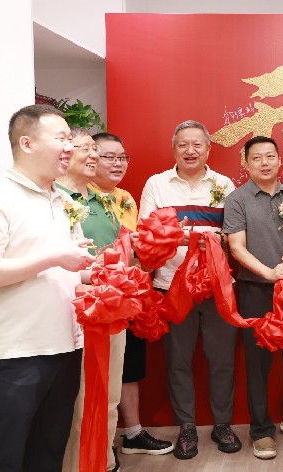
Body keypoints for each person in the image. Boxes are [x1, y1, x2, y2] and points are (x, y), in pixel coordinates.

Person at [0, 104, 96, 471]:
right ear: (27, 143)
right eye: (61, 138)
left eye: (70, 139)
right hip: (19, 354)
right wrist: (53, 258)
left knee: (48, 454)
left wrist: (102, 274)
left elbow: (70, 267)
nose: (70, 146)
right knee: (4, 459)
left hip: (67, 346)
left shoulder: (63, 200)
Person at [140, 120, 240, 459]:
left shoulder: (224, 184)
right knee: (178, 361)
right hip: (171, 286)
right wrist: (184, 238)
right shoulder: (156, 184)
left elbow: (234, 234)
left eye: (197, 144)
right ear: (174, 149)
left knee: (222, 361)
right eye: (183, 144)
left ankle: (223, 424)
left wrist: (206, 239)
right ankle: (186, 427)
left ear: (208, 149)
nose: (190, 150)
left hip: (217, 286)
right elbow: (146, 235)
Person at [223, 136, 283, 460]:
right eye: (257, 158)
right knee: (258, 363)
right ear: (246, 164)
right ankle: (261, 431)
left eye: (270, 156)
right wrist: (268, 273)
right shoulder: (237, 199)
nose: (265, 163)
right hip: (256, 289)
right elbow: (236, 248)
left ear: (279, 160)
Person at [89, 132, 173, 458]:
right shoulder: (76, 199)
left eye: (122, 157)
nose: (118, 163)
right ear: (90, 158)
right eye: (109, 157)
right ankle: (102, 441)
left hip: (129, 293)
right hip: (96, 296)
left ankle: (133, 433)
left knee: (129, 365)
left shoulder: (125, 198)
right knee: (99, 371)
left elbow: (136, 248)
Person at [58, 128, 128, 472]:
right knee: (81, 400)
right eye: (84, 148)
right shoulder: (54, 200)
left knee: (110, 395)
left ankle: (104, 462)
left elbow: (119, 252)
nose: (93, 156)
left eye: (93, 150)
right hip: (74, 312)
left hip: (111, 308)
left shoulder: (105, 201)